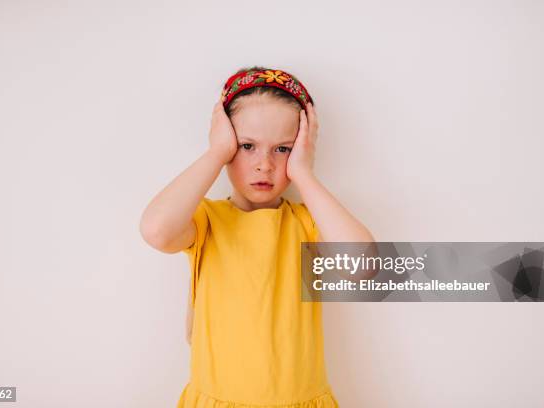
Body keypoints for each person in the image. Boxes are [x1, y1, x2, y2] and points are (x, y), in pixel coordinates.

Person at [140, 66, 374, 407]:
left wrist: (304, 175)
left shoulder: (305, 224)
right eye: (247, 145)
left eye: (282, 149)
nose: (264, 164)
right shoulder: (208, 221)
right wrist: (215, 153)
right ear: (226, 142)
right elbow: (156, 230)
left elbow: (364, 264)